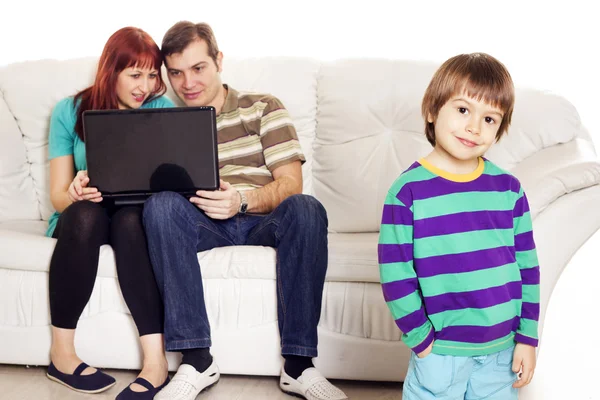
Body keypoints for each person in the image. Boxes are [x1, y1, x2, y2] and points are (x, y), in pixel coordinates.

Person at [142, 21, 348, 400]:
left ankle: (299, 365)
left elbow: (290, 183)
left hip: (260, 219)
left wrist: (241, 200)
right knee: (159, 207)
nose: (187, 82)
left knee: (307, 208)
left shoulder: (263, 107)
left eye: (198, 68)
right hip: (201, 221)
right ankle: (197, 359)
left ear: (219, 61)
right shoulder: (163, 121)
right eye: (176, 73)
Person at [378, 53, 540, 399]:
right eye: (463, 110)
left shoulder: (509, 190)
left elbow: (528, 268)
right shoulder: (407, 192)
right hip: (440, 351)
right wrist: (420, 339)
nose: (474, 127)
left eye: (490, 118)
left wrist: (527, 337)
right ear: (433, 110)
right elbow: (395, 274)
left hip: (502, 351)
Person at [45, 27, 174, 400]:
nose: (145, 86)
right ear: (110, 71)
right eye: (135, 75)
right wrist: (73, 193)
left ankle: (155, 363)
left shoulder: (162, 110)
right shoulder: (69, 111)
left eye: (152, 75)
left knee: (132, 222)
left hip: (133, 214)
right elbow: (57, 195)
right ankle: (62, 356)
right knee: (85, 214)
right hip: (85, 214)